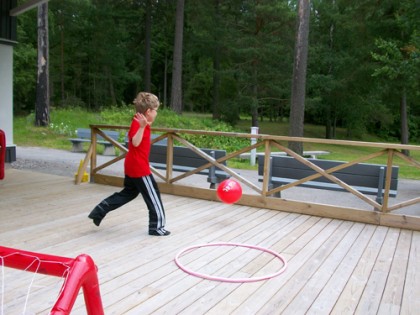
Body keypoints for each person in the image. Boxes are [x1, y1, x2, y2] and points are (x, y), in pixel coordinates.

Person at [88, 92, 170, 236]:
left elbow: (144, 127)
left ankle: (100, 210)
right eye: (156, 110)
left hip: (132, 165)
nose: (157, 113)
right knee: (153, 196)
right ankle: (156, 228)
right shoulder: (139, 124)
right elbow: (135, 142)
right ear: (149, 111)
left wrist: (145, 124)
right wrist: (142, 127)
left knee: (128, 193)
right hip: (139, 168)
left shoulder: (140, 121)